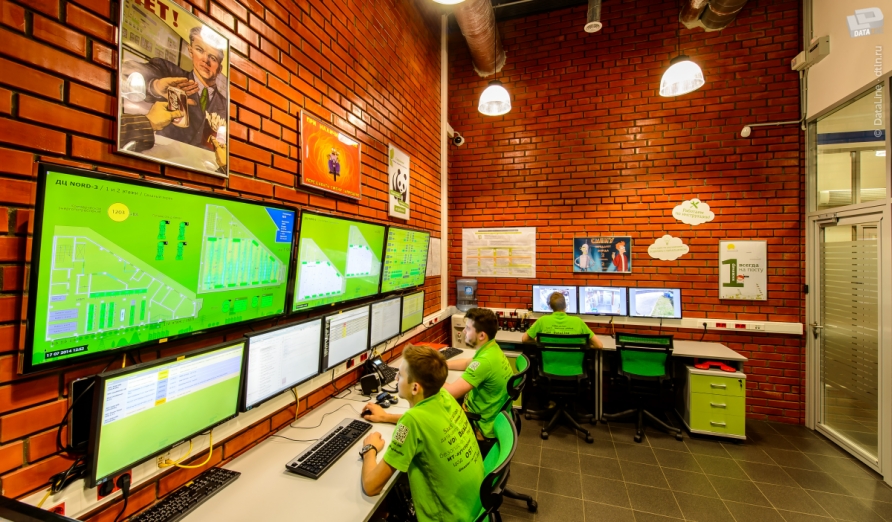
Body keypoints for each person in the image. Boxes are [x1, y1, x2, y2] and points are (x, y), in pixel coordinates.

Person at [360, 345, 484, 522]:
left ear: (415, 388)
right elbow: (425, 421)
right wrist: (385, 417)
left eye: (400, 375)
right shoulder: (443, 395)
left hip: (447, 517)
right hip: (473, 507)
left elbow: (371, 486)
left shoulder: (412, 421)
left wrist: (370, 449)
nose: (395, 378)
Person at [365, 308, 512, 451]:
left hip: (478, 424)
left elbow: (451, 392)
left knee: (429, 412)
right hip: (488, 413)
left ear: (481, 336)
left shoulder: (484, 363)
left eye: (468, 328)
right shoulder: (492, 349)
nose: (463, 331)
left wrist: (425, 374)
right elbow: (467, 363)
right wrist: (439, 364)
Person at [123, 26, 228, 159]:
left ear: (219, 68)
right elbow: (127, 71)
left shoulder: (225, 105)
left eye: (213, 58)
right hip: (160, 160)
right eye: (199, 50)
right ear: (190, 51)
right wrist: (154, 85)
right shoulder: (169, 72)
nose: (205, 60)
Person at [523, 292, 604, 349]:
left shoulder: (542, 320)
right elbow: (599, 345)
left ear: (550, 307)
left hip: (548, 367)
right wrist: (583, 345)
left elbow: (524, 339)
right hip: (574, 367)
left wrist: (539, 340)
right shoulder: (578, 322)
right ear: (565, 305)